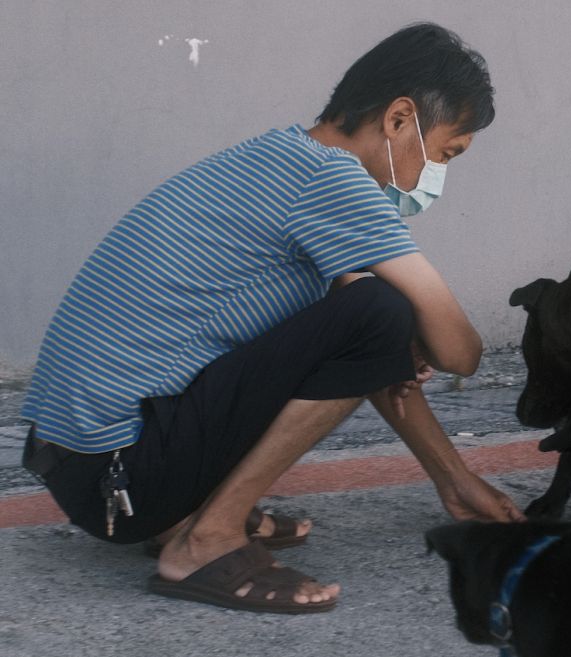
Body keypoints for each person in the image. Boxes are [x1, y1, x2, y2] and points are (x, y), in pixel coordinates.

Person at [20, 22, 524, 614]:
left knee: (371, 316)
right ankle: (205, 540)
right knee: (381, 312)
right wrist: (407, 329)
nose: (436, 174)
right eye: (445, 153)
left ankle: (185, 514)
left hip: (85, 469)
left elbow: (357, 352)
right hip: (122, 476)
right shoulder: (334, 181)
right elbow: (458, 351)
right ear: (398, 119)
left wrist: (452, 478)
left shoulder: (280, 157)